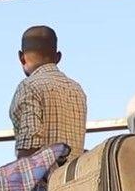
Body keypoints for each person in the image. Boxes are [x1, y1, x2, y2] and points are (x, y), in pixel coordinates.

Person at [9, 25, 88, 158]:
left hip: (46, 178)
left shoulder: (29, 86)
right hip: (76, 176)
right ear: (58, 57)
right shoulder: (77, 89)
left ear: (21, 58)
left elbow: (30, 147)